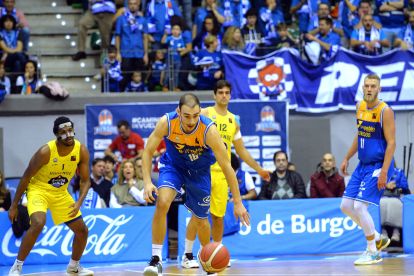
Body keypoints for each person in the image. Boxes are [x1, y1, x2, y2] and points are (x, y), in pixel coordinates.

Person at [141, 93, 250, 276]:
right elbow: (148, 151)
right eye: (186, 116)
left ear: (200, 111)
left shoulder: (210, 130)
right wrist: (146, 182)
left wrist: (238, 202)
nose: (191, 121)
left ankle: (208, 262)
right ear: (178, 112)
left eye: (195, 116)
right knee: (162, 203)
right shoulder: (166, 122)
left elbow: (227, 167)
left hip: (199, 172)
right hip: (173, 166)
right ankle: (156, 260)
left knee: (201, 220)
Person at [182, 80, 271, 268]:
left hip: (223, 174)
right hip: (202, 172)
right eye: (220, 92)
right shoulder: (204, 113)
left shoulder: (233, 121)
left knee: (218, 217)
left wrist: (259, 169)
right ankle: (187, 254)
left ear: (230, 95)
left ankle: (215, 253)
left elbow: (242, 151)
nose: (224, 95)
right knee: (198, 216)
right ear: (214, 95)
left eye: (226, 92)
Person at [7, 117, 93, 276]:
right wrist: (13, 205)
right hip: (38, 190)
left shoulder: (82, 150)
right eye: (63, 132)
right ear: (56, 135)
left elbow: (86, 180)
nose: (68, 135)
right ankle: (16, 267)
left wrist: (79, 202)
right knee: (39, 223)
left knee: (82, 230)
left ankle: (73, 266)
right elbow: (25, 177)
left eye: (70, 130)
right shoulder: (45, 151)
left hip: (60, 193)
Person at [340, 74, 395, 265]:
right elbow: (360, 135)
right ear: (362, 88)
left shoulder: (385, 111)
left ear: (379, 89)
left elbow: (392, 144)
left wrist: (384, 172)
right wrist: (347, 156)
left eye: (373, 86)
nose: (369, 89)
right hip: (362, 165)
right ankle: (377, 238)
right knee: (345, 206)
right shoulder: (359, 106)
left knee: (359, 206)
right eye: (366, 86)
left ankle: (372, 250)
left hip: (378, 165)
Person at [115, 0, 148, 92]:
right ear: (127, 5)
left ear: (138, 6)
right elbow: (118, 37)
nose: (133, 6)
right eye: (130, 4)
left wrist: (146, 54)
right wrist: (118, 53)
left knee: (141, 79)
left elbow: (145, 38)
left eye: (135, 4)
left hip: (139, 53)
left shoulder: (143, 20)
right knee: (124, 79)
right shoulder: (121, 19)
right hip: (125, 53)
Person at [161, 23, 186, 91]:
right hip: (169, 58)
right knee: (167, 72)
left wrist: (181, 49)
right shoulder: (170, 38)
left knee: (176, 74)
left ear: (180, 31)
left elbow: (184, 47)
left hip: (177, 59)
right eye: (174, 29)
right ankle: (165, 86)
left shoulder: (181, 39)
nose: (175, 31)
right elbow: (163, 42)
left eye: (177, 29)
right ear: (171, 30)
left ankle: (175, 86)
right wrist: (165, 34)